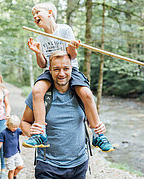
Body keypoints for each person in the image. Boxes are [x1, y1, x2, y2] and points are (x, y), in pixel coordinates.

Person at [23, 1, 114, 152]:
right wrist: (38, 53)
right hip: (50, 70)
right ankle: (40, 133)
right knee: (37, 91)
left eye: (38, 13)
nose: (35, 17)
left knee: (86, 94)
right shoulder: (40, 37)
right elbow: (42, 64)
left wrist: (72, 48)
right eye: (33, 15)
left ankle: (98, 135)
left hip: (70, 69)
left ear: (50, 13)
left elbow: (72, 56)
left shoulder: (64, 29)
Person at [22, 51, 103, 179]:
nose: (61, 74)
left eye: (66, 68)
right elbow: (25, 122)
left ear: (71, 68)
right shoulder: (41, 95)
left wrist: (99, 128)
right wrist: (31, 132)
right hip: (47, 165)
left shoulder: (82, 94)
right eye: (56, 69)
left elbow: (91, 121)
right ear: (50, 70)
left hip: (79, 165)